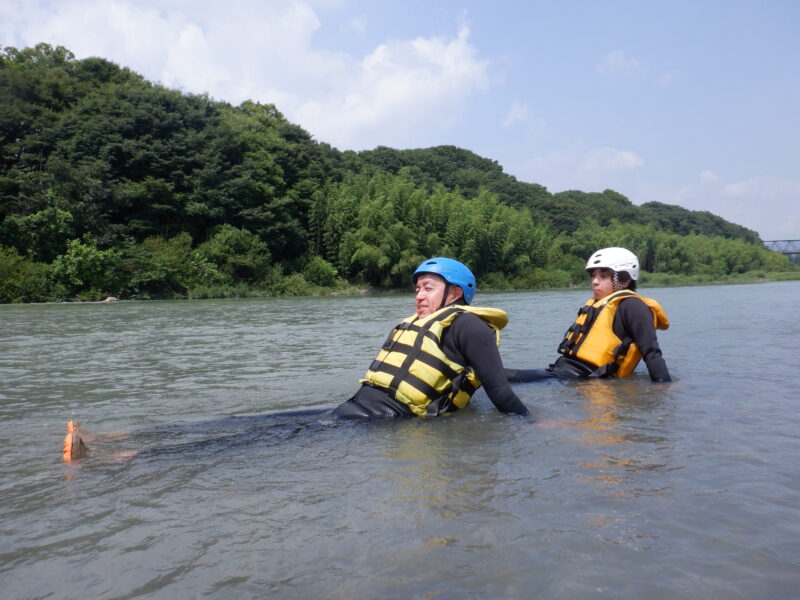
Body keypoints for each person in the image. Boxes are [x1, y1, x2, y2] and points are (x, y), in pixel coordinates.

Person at [333, 257, 530, 418]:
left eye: (428, 288)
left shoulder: (470, 326)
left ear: (455, 293)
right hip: (355, 410)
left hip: (381, 421)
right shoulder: (418, 323)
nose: (418, 296)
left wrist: (533, 422)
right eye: (418, 289)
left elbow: (500, 393)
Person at [507, 247, 671, 383]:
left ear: (625, 279)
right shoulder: (599, 303)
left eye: (603, 275)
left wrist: (663, 392)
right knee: (497, 376)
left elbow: (652, 355)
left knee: (501, 378)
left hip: (584, 381)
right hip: (560, 375)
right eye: (593, 275)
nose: (595, 281)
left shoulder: (634, 306)